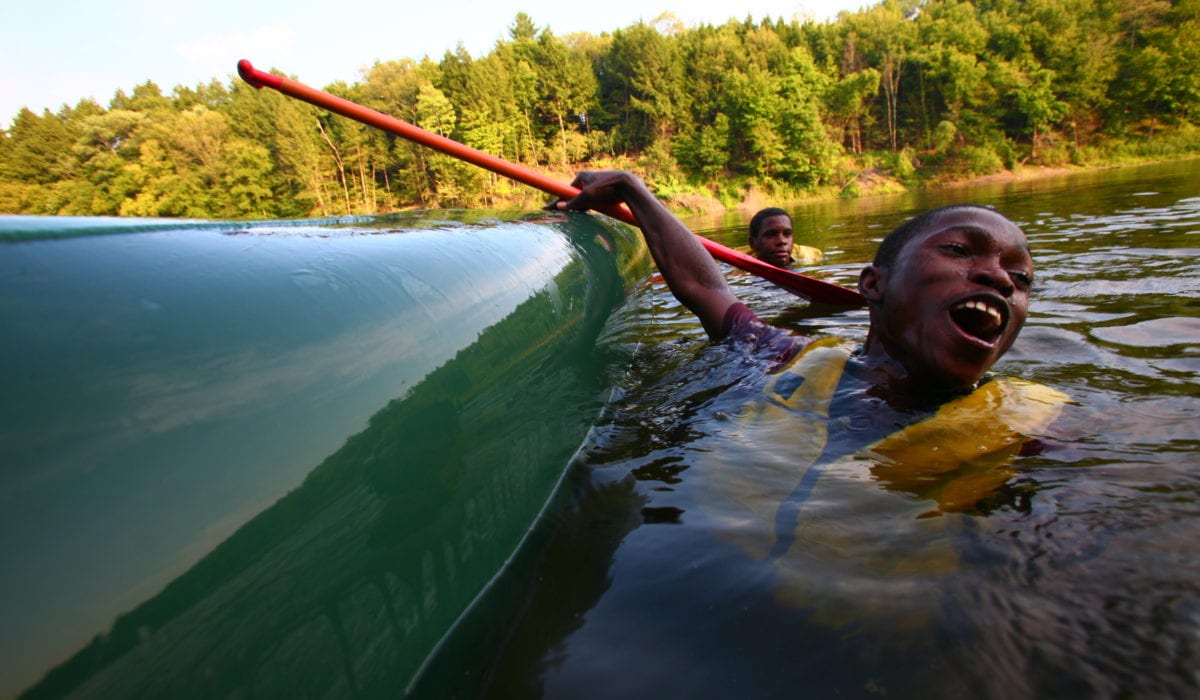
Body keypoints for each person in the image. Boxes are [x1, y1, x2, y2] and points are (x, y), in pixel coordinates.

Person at [549, 170, 1047, 412]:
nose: (1002, 279)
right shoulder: (789, 356)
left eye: (1021, 279)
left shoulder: (1034, 426)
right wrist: (632, 190)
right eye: (961, 250)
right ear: (873, 285)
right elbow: (705, 286)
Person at [746, 207, 822, 267]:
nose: (782, 241)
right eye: (771, 235)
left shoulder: (811, 257)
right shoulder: (739, 267)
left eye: (787, 234)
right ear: (752, 243)